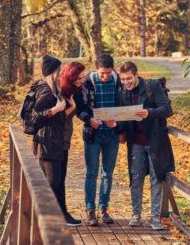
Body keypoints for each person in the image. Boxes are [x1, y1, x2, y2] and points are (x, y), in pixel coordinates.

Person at [117, 61, 175, 230]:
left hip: (155, 141)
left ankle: (155, 218)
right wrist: (117, 127)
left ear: (136, 75)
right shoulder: (123, 93)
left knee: (157, 179)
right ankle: (136, 215)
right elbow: (124, 118)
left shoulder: (152, 86)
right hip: (135, 143)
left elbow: (167, 109)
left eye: (129, 78)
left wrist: (149, 113)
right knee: (136, 179)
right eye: (123, 79)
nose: (126, 82)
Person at [77, 54, 123, 226]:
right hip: (93, 135)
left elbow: (122, 105)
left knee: (107, 174)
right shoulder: (87, 82)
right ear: (96, 70)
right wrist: (88, 120)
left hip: (111, 135)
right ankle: (90, 211)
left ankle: (103, 209)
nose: (105, 77)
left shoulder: (117, 80)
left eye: (108, 73)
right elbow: (80, 107)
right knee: (91, 173)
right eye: (102, 73)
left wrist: (117, 122)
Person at [30, 55, 69, 224]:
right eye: (59, 71)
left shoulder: (51, 88)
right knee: (52, 183)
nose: (61, 75)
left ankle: (44, 218)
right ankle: (41, 219)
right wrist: (55, 109)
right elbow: (35, 117)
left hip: (52, 142)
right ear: (53, 72)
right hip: (47, 143)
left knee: (53, 182)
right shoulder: (46, 91)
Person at [58, 61, 87, 226]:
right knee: (57, 179)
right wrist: (73, 106)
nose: (81, 80)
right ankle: (61, 214)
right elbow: (57, 119)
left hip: (65, 140)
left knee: (61, 177)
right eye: (79, 77)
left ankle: (61, 213)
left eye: (83, 77)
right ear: (71, 75)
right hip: (57, 140)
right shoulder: (62, 91)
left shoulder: (75, 90)